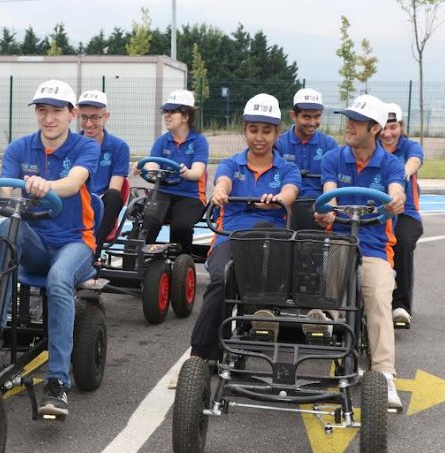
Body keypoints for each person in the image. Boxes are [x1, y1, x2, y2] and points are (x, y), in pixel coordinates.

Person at [0, 79, 99, 417]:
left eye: (57, 110)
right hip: (34, 242)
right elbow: (7, 196)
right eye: (42, 110)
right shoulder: (18, 149)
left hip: (74, 243)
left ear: (71, 114)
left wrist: (48, 186)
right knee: (4, 227)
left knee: (59, 280)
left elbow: (73, 184)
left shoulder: (85, 148)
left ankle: (57, 382)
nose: (49, 118)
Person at [189, 93, 301, 360]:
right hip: (230, 237)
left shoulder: (287, 169)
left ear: (277, 133)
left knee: (265, 236)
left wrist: (277, 200)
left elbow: (290, 193)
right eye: (253, 130)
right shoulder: (230, 163)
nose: (259, 137)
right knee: (220, 280)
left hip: (270, 242)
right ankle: (200, 354)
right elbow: (223, 181)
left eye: (266, 131)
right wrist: (219, 191)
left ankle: (254, 325)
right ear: (245, 130)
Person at [314, 94, 407, 411]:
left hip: (373, 247)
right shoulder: (333, 158)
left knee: (380, 297)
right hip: (340, 241)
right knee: (330, 289)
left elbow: (397, 190)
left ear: (376, 128)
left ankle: (384, 375)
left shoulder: (391, 164)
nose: (348, 124)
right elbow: (329, 195)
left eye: (356, 120)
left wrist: (395, 200)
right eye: (348, 118)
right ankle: (331, 329)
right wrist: (327, 212)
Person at [142, 90, 209, 255]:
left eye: (172, 112)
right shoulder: (162, 141)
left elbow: (197, 173)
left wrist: (186, 172)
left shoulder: (199, 141)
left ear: (185, 117)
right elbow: (152, 164)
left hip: (190, 195)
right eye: (165, 112)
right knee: (149, 219)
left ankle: (182, 262)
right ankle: (141, 258)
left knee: (181, 225)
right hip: (164, 191)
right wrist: (143, 167)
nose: (167, 115)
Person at [380, 103, 424, 327]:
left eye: (393, 127)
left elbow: (414, 161)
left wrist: (401, 174)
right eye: (383, 127)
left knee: (403, 243)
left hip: (405, 213)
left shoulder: (410, 147)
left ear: (401, 127)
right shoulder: (372, 147)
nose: (388, 133)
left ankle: (401, 306)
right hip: (377, 210)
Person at [275, 88, 339, 230]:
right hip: (288, 206)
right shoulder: (279, 143)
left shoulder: (329, 144)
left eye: (317, 117)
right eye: (306, 117)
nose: (312, 122)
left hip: (319, 207)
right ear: (293, 115)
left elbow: (333, 184)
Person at [76, 90, 131, 255]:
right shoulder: (70, 143)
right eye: (84, 117)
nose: (89, 123)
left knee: (114, 196)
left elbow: (115, 187)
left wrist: (95, 198)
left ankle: (94, 249)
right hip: (75, 200)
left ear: (106, 116)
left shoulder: (119, 147)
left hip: (100, 204)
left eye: (95, 117)